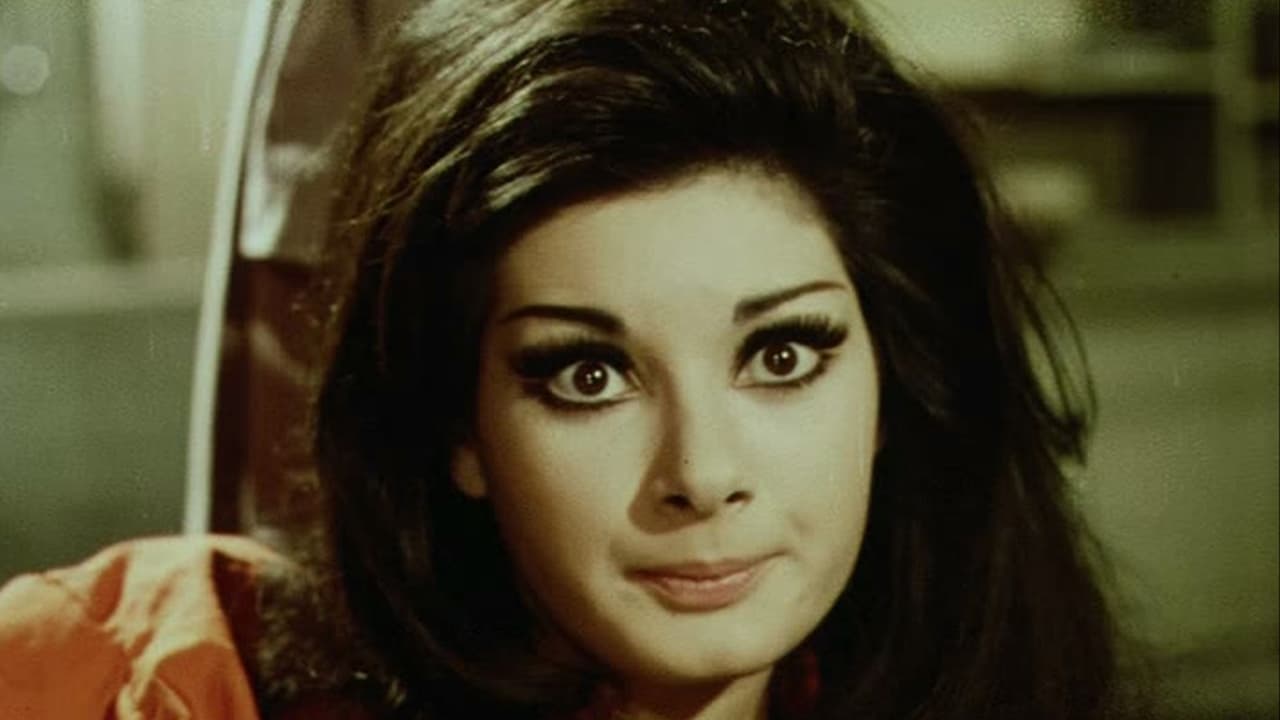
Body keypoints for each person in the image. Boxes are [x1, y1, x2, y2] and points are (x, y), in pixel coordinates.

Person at [0, 0, 1136, 718]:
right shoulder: (143, 674)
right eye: (588, 376)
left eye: (782, 354)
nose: (702, 474)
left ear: (891, 387)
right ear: (459, 426)